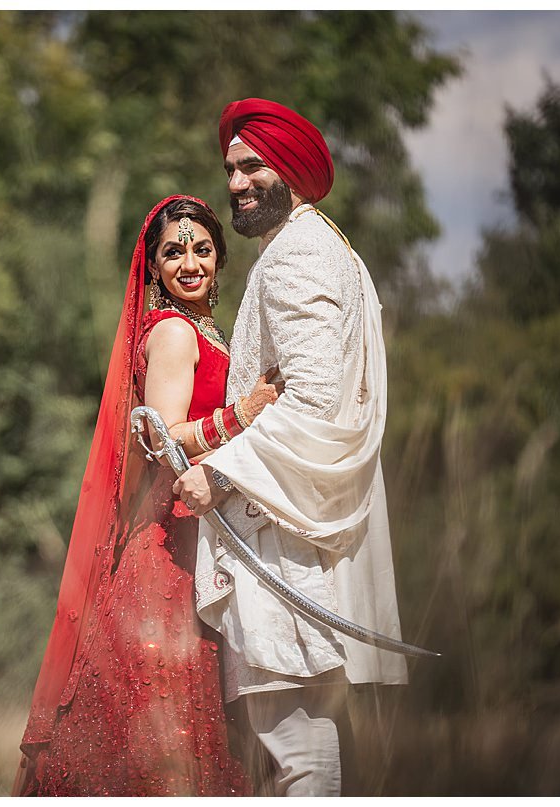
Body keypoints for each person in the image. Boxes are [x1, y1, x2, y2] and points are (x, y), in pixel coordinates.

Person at [173, 98, 409, 797]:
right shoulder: (329, 247)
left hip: (280, 544)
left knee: (298, 752)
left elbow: (312, 399)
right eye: (231, 170)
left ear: (294, 172)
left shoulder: (295, 258)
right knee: (294, 753)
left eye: (252, 167)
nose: (237, 183)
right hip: (296, 534)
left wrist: (217, 472)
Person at [12, 195, 280, 797]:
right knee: (165, 729)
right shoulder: (174, 334)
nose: (190, 263)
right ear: (153, 267)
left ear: (220, 255)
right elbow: (164, 438)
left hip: (204, 532)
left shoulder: (205, 330)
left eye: (203, 249)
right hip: (172, 551)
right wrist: (244, 413)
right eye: (173, 252)